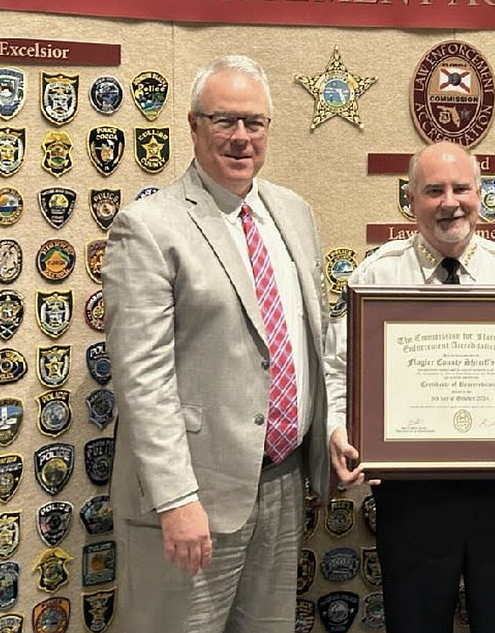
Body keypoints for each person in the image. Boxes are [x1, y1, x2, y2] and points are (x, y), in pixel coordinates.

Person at [105, 55, 330, 633]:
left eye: (254, 123)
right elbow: (141, 379)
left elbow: (312, 342)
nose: (240, 137)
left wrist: (331, 432)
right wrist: (176, 499)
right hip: (193, 497)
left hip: (283, 484)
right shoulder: (149, 226)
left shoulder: (294, 213)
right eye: (224, 120)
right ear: (193, 125)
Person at [325, 141, 495, 633]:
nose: (450, 202)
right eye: (434, 190)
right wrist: (340, 429)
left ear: (481, 194)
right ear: (411, 199)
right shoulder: (378, 274)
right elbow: (340, 370)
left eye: (461, 188)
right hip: (411, 496)